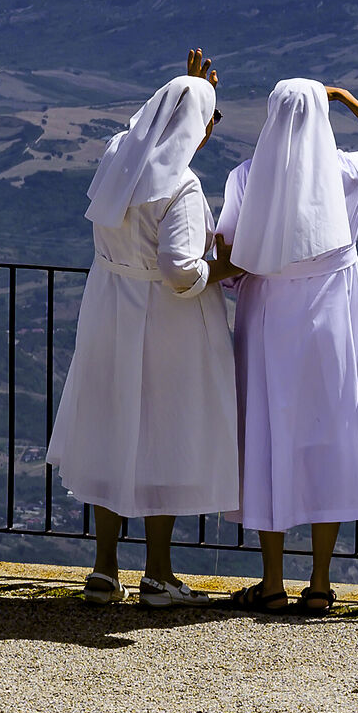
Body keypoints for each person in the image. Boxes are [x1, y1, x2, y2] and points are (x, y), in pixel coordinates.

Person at [45, 50, 239, 606]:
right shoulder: (181, 187)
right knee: (164, 434)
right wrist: (223, 267)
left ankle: (105, 567)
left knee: (112, 428)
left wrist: (187, 90)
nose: (207, 132)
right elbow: (180, 272)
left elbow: (144, 128)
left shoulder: (116, 161)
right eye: (208, 121)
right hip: (166, 326)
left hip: (109, 310)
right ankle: (159, 572)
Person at [215, 79, 358, 614]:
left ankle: (271, 582)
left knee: (268, 438)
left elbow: (229, 254)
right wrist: (344, 100)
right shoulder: (343, 172)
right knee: (331, 435)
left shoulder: (247, 179)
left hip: (269, 320)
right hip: (333, 323)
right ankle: (319, 584)